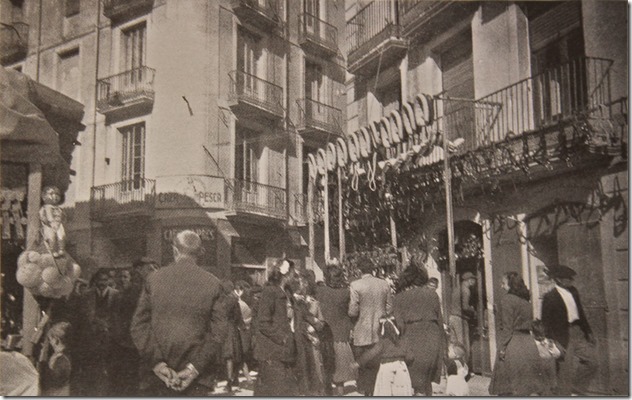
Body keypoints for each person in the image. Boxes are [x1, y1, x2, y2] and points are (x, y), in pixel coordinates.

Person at [131, 230, 227, 396]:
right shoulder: (214, 283)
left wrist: (158, 364)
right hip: (198, 380)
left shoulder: (153, 279)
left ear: (174, 250)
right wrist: (194, 369)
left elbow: (138, 326)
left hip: (156, 379)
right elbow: (219, 333)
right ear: (200, 252)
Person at [489, 272, 553, 396]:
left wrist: (502, 348)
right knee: (526, 387)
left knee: (508, 388)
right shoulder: (526, 301)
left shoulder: (507, 300)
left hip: (513, 344)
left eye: (503, 283)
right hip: (528, 344)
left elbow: (507, 327)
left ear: (511, 284)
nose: (501, 286)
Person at [541, 264, 597, 395]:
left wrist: (588, 332)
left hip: (577, 331)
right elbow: (545, 322)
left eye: (572, 278)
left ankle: (576, 387)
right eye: (568, 278)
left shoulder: (574, 291)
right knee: (565, 371)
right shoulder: (550, 297)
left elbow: (580, 313)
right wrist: (551, 341)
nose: (572, 280)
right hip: (562, 336)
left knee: (593, 362)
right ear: (559, 280)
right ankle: (563, 394)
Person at [395, 261, 446, 396]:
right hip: (433, 338)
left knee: (417, 383)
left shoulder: (399, 298)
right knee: (426, 380)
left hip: (413, 339)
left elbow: (399, 326)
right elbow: (440, 322)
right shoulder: (432, 295)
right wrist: (443, 347)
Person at [253, 259, 300, 396]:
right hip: (273, 351)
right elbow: (263, 322)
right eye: (293, 272)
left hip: (287, 350)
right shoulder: (270, 291)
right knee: (276, 390)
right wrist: (282, 338)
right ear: (285, 274)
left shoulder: (287, 293)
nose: (295, 276)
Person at [348, 256, 393, 396]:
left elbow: (353, 311)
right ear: (373, 269)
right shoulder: (384, 284)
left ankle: (365, 391)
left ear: (359, 270)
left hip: (361, 330)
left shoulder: (355, 285)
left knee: (362, 364)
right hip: (379, 330)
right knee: (376, 365)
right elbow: (389, 308)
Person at [74, 268, 118, 396]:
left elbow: (117, 316)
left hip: (109, 337)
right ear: (96, 280)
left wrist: (109, 327)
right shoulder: (87, 295)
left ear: (109, 281)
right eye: (100, 280)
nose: (102, 282)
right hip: (91, 337)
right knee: (91, 367)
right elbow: (85, 315)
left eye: (105, 280)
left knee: (108, 367)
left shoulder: (116, 295)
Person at [315, 264, 357, 396]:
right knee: (340, 372)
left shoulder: (320, 291)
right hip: (340, 334)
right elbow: (351, 312)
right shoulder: (346, 293)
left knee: (324, 368)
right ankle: (340, 394)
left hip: (324, 333)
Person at [110, 268, 142, 396]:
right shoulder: (118, 294)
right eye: (121, 277)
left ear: (131, 279)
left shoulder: (135, 295)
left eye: (125, 277)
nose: (122, 280)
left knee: (131, 371)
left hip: (131, 339)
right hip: (119, 338)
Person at [372, 316, 413, 396]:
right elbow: (410, 357)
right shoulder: (403, 340)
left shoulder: (381, 343)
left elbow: (372, 354)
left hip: (385, 368)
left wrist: (358, 363)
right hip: (401, 367)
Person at [217, 280, 244, 393]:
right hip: (233, 330)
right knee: (234, 356)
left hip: (226, 330)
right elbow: (238, 317)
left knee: (228, 356)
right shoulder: (234, 300)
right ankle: (234, 379)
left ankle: (229, 382)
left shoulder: (224, 301)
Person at [449, 271, 476, 361]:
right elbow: (465, 307)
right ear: (469, 280)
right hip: (460, 319)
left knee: (454, 343)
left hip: (452, 317)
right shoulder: (466, 290)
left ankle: (454, 365)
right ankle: (464, 366)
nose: (474, 282)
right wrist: (473, 310)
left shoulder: (457, 288)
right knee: (463, 344)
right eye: (473, 279)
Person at [41, 321, 72, 396]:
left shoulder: (62, 360)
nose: (49, 342)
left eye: (50, 339)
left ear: (56, 340)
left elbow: (51, 383)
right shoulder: (59, 355)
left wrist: (42, 365)